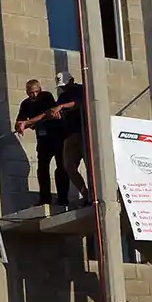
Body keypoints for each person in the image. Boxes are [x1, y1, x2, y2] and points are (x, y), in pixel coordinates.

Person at [14, 78, 68, 207]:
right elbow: (19, 122)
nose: (34, 95)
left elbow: (46, 114)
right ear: (27, 92)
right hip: (42, 138)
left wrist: (28, 122)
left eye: (36, 92)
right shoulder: (25, 104)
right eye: (31, 93)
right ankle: (44, 199)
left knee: (61, 167)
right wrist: (22, 125)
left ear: (40, 90)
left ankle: (63, 198)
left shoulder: (46, 97)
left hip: (56, 135)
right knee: (42, 168)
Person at [49, 72, 90, 205]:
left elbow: (78, 103)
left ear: (72, 80)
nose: (64, 88)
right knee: (69, 166)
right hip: (69, 134)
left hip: (84, 132)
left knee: (90, 165)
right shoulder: (63, 95)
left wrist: (62, 106)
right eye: (62, 86)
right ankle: (86, 194)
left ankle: (96, 195)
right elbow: (55, 110)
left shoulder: (81, 89)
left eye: (65, 85)